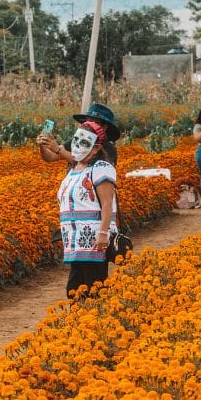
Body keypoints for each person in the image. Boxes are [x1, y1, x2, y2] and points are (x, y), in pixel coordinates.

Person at [57, 120, 119, 299]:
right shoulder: (74, 169)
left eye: (85, 142)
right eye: (76, 140)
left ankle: (97, 324)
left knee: (94, 288)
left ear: (96, 148)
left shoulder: (101, 168)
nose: (77, 146)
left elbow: (107, 203)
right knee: (74, 289)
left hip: (94, 242)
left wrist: (103, 234)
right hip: (76, 243)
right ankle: (78, 324)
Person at [38, 102, 120, 166]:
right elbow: (50, 157)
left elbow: (86, 167)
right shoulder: (76, 141)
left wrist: (58, 150)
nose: (90, 124)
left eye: (95, 122)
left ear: (104, 127)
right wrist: (43, 145)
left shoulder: (109, 149)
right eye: (87, 121)